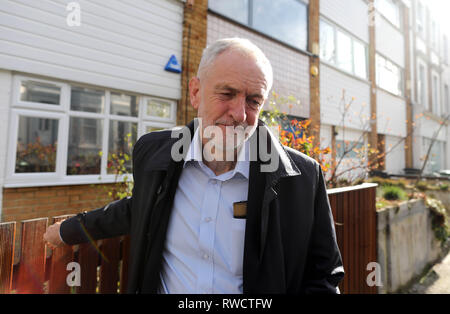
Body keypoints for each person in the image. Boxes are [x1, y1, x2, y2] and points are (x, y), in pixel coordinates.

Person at [44, 38, 344, 294]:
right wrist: (70, 229)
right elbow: (141, 207)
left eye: (254, 101)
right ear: (195, 92)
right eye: (226, 94)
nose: (240, 113)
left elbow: (323, 275)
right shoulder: (155, 153)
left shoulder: (302, 177)